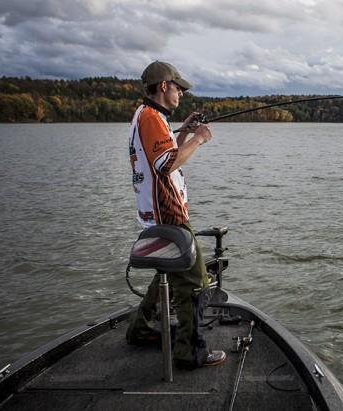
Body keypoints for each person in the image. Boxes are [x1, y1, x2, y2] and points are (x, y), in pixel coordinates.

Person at [126, 60, 226, 369]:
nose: (181, 92)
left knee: (167, 273)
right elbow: (166, 165)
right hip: (169, 212)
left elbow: (164, 156)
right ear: (164, 86)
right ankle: (189, 351)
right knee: (196, 280)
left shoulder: (145, 116)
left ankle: (140, 329)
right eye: (178, 87)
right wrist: (199, 138)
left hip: (156, 210)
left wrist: (182, 131)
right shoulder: (152, 118)